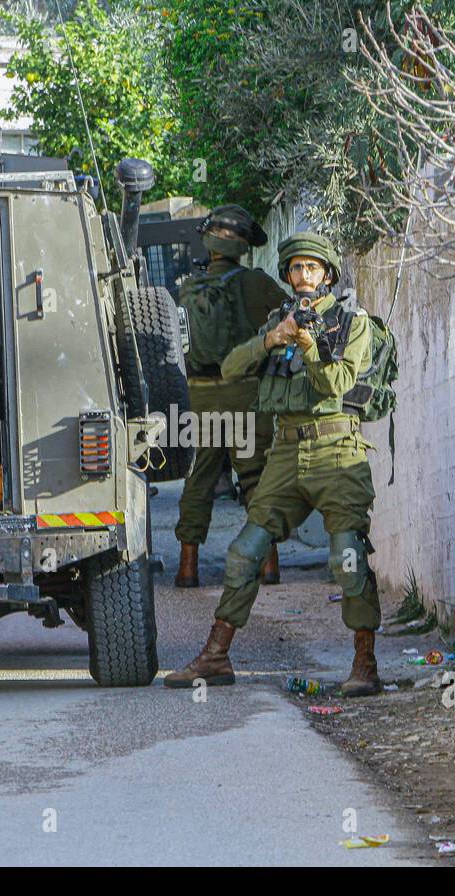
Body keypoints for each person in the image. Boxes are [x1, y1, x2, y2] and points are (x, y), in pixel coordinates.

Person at [165, 232, 384, 697]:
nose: (303, 276)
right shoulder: (277, 319)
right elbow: (229, 368)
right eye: (296, 269)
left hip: (336, 450)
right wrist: (272, 337)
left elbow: (337, 382)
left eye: (312, 268)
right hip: (285, 453)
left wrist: (307, 342)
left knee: (347, 555)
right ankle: (216, 655)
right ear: (287, 275)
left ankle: (365, 663)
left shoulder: (351, 321)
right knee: (245, 550)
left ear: (327, 274)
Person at [174, 204, 286, 588]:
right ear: (242, 247)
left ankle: (187, 567)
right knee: (256, 477)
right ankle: (268, 565)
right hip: (246, 395)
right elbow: (289, 318)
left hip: (199, 397)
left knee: (199, 479)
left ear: (209, 245)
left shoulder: (188, 288)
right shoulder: (256, 283)